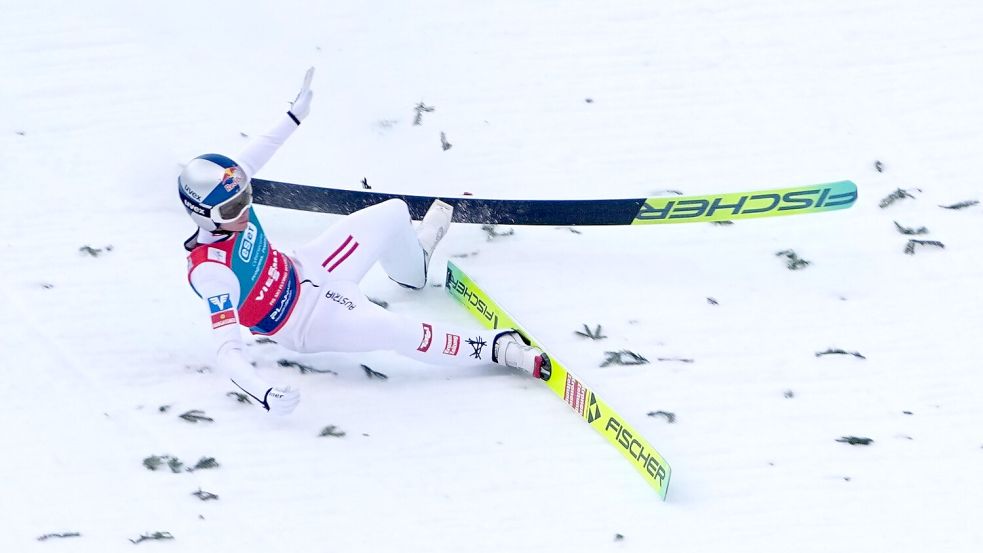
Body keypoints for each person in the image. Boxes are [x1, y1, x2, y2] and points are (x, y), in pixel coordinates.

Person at [179, 67, 549, 415]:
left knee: (393, 212)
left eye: (245, 198)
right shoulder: (212, 272)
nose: (242, 212)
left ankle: (413, 268)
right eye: (230, 211)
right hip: (305, 320)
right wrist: (263, 393)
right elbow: (228, 350)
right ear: (202, 215)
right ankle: (499, 349)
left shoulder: (229, 187)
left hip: (310, 264)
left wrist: (295, 114)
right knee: (395, 329)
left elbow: (258, 153)